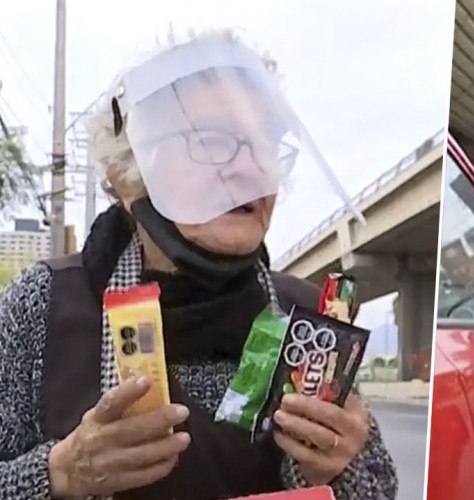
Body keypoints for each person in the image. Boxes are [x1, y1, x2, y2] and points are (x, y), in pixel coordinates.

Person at [0, 29, 398, 499]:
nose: (247, 169)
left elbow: (380, 488)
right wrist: (59, 474)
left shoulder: (310, 320)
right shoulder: (44, 305)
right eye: (210, 142)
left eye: (262, 145)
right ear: (126, 175)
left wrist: (342, 468)